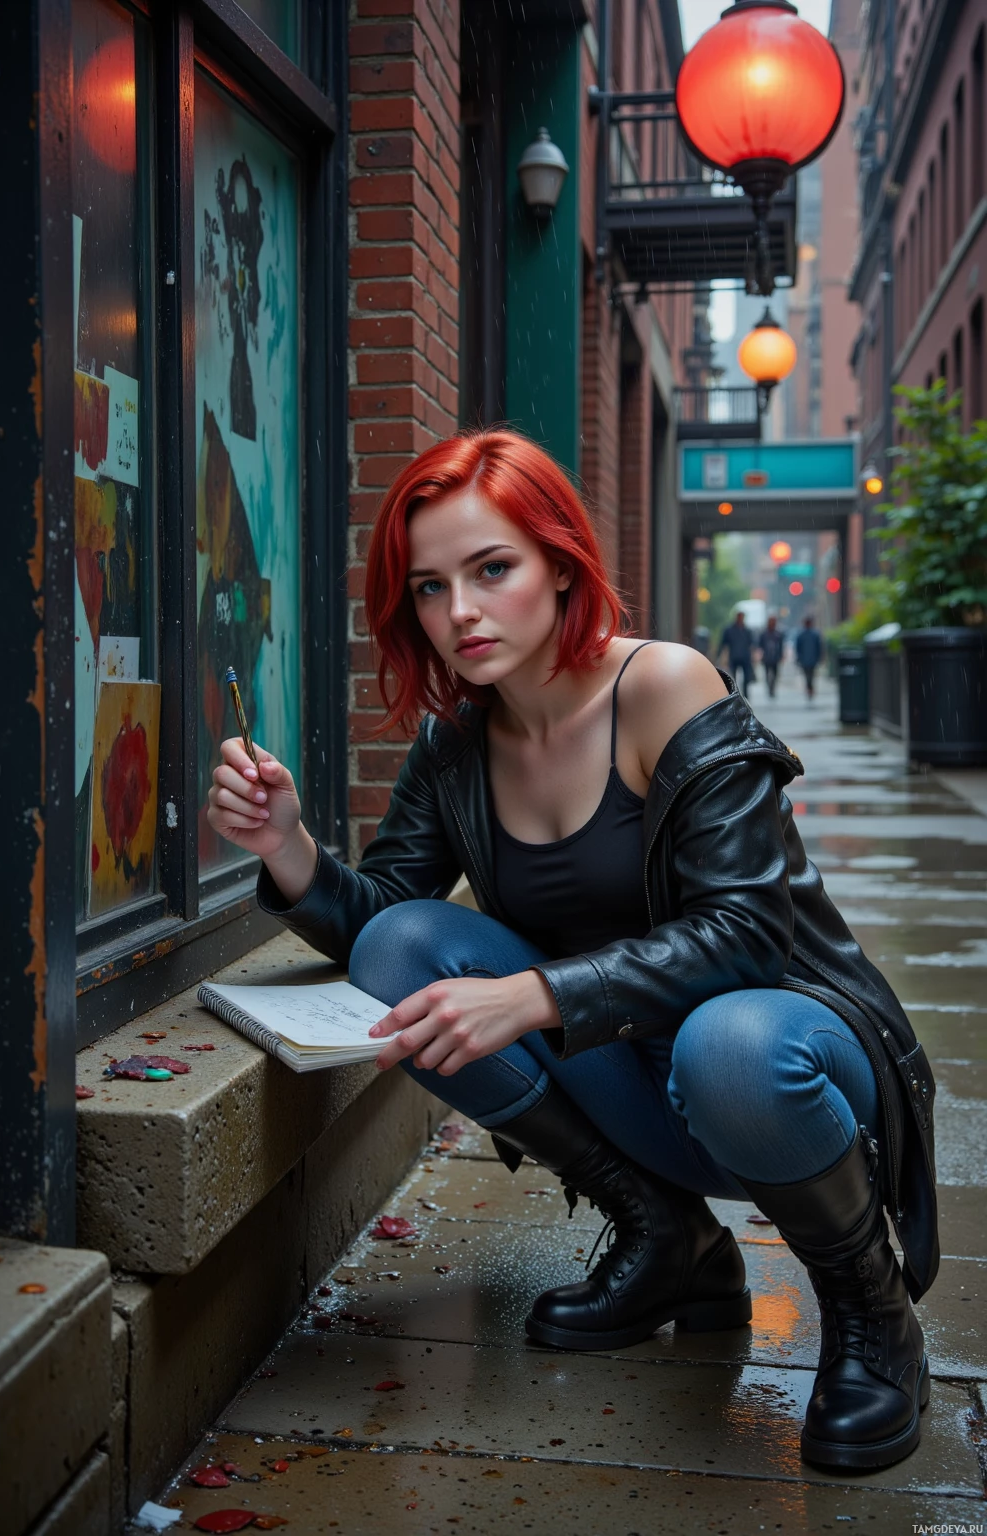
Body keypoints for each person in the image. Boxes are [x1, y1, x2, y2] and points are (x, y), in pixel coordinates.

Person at [207, 429, 937, 1474]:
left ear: (559, 563)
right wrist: (287, 846)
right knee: (405, 943)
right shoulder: (457, 740)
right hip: (632, 1080)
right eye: (428, 587)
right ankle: (664, 1235)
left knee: (728, 1042)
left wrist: (535, 994)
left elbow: (748, 935)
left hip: (789, 1064)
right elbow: (386, 924)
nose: (458, 611)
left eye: (491, 570)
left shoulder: (664, 688)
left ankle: (870, 1313)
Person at [718, 610, 754, 699]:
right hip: (734, 657)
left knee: (746, 678)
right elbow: (723, 643)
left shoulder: (747, 630)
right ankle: (735, 695)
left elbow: (751, 644)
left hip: (745, 657)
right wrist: (718, 655)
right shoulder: (729, 630)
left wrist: (752, 656)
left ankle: (745, 695)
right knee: (732, 678)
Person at [795, 615, 824, 699]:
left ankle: (809, 688)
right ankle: (810, 688)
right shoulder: (811, 634)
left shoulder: (809, 634)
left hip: (808, 659)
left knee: (809, 675)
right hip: (810, 659)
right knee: (809, 675)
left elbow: (818, 647)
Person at [758, 615, 785, 698]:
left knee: (775, 674)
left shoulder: (778, 634)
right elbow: (760, 645)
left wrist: (781, 655)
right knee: (767, 674)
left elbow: (781, 646)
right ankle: (769, 687)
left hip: (775, 657)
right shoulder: (764, 634)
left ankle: (772, 688)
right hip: (766, 657)